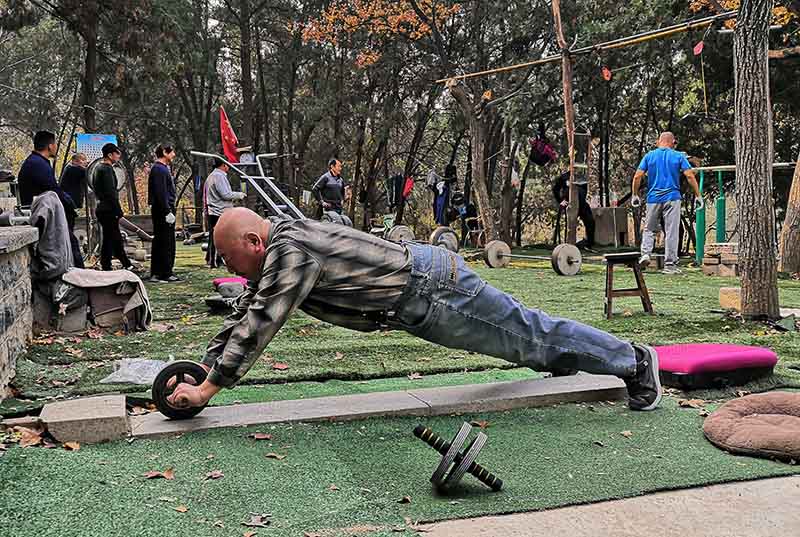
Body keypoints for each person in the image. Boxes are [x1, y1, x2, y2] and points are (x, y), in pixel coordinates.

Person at [167, 207, 662, 414]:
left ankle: (635, 361)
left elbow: (262, 321)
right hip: (422, 294)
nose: (234, 270)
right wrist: (203, 369)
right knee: (524, 342)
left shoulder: (290, 253)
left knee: (530, 333)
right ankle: (567, 361)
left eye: (232, 259)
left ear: (254, 241)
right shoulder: (282, 241)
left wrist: (210, 388)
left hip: (433, 290)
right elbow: (249, 308)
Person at [631, 132, 703, 274]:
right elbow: (689, 175)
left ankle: (645, 254)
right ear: (672, 142)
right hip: (672, 198)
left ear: (659, 141)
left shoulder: (649, 156)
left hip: (653, 198)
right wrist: (698, 195)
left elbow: (638, 176)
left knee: (649, 229)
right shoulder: (678, 156)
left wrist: (634, 194)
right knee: (671, 232)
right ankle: (670, 266)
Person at [17, 131, 83, 265]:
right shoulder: (38, 165)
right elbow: (53, 191)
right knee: (71, 246)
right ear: (50, 146)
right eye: (55, 144)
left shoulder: (35, 162)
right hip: (43, 218)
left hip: (43, 216)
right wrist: (70, 206)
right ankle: (81, 280)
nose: (56, 147)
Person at [93, 143, 134, 272]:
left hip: (102, 207)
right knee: (114, 238)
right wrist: (118, 210)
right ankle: (125, 264)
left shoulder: (97, 168)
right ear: (110, 155)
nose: (118, 157)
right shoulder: (106, 169)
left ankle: (109, 265)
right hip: (108, 208)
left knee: (110, 238)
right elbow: (111, 192)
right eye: (117, 154)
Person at [204, 157, 245, 268]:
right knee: (219, 238)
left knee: (214, 237)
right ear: (224, 165)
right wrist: (239, 195)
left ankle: (212, 260)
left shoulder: (212, 176)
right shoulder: (219, 176)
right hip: (219, 212)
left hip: (215, 211)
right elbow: (225, 194)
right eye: (228, 164)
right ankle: (215, 261)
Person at [148, 145, 179, 283]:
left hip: (163, 208)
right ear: (165, 153)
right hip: (162, 210)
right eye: (172, 152)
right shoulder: (159, 169)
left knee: (164, 240)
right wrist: (167, 211)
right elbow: (161, 192)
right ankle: (163, 272)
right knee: (165, 241)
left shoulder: (161, 168)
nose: (173, 155)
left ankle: (161, 272)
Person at [59, 153, 88, 268]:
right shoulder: (73, 170)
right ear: (75, 161)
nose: (84, 163)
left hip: (70, 204)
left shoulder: (71, 170)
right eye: (82, 160)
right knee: (69, 233)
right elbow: (88, 172)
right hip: (68, 205)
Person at [552, 171, 595, 248]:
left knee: (590, 221)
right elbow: (555, 189)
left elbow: (585, 190)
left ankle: (589, 244)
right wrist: (561, 201)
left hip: (582, 204)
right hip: (570, 204)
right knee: (571, 225)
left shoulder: (582, 176)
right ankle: (570, 244)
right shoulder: (564, 176)